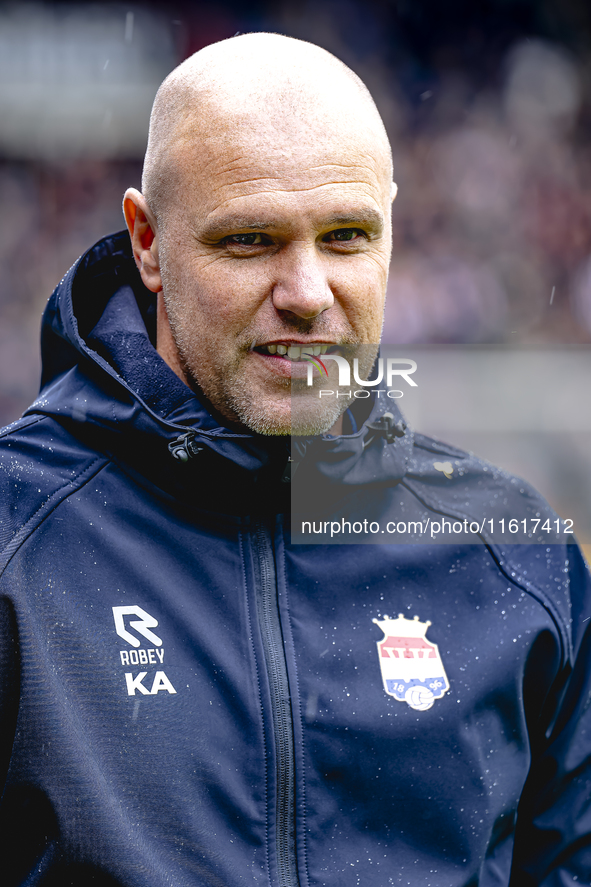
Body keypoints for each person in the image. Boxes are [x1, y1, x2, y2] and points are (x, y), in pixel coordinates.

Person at [0, 31, 589, 887]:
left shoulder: (518, 560)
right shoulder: (18, 542)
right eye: (249, 240)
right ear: (148, 243)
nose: (308, 293)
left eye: (347, 235)